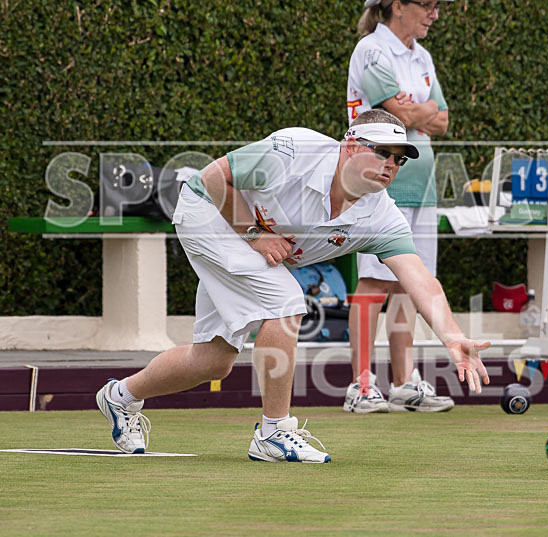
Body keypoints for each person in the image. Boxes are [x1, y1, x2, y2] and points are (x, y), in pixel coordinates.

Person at [95, 109, 491, 461]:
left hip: (247, 237)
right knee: (286, 302)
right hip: (208, 213)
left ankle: (120, 397)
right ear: (351, 146)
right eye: (382, 152)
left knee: (214, 360)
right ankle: (273, 431)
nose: (391, 164)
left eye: (398, 158)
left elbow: (419, 278)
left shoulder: (382, 217)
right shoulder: (294, 151)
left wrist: (453, 337)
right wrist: (254, 234)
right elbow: (213, 178)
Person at [343, 0, 453, 413]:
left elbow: (440, 120)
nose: (434, 14)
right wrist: (417, 112)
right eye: (427, 5)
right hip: (376, 183)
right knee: (374, 283)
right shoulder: (372, 49)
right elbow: (395, 115)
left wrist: (416, 114)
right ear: (398, 6)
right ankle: (361, 385)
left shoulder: (421, 56)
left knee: (411, 282)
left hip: (421, 188)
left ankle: (404, 383)